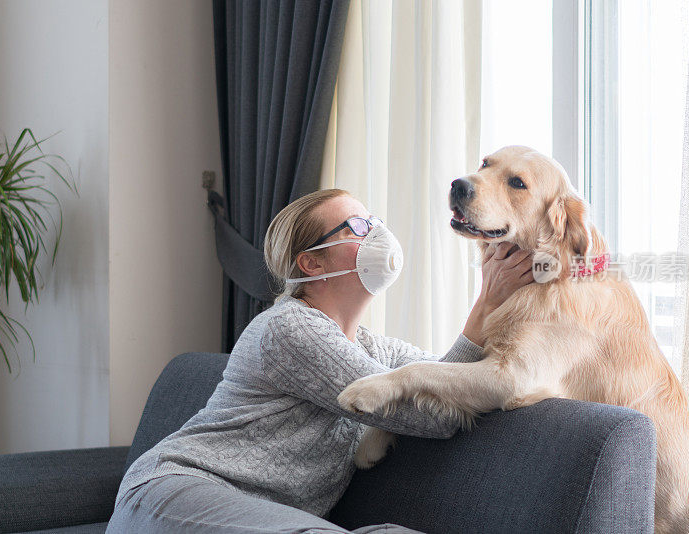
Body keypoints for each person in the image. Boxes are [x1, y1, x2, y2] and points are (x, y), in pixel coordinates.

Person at [107, 188, 534, 534]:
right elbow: (427, 416)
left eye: (375, 221)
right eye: (359, 226)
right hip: (174, 494)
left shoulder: (376, 351)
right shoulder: (289, 327)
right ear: (311, 263)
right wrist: (486, 302)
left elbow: (450, 383)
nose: (378, 233)